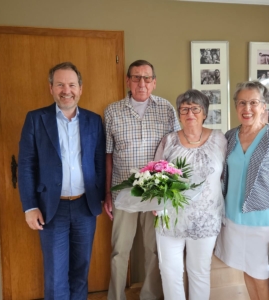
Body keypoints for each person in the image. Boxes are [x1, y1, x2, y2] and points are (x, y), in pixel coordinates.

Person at [18, 62, 106, 300]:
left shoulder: (94, 120)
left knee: (81, 270)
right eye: (60, 85)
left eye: (71, 84)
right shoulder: (36, 119)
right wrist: (30, 206)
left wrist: (101, 197)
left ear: (80, 88)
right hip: (49, 208)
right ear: (51, 88)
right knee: (56, 275)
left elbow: (99, 163)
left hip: (84, 207)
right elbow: (26, 165)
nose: (66, 90)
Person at [104, 59, 180, 300]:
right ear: (128, 81)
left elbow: (175, 150)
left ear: (154, 82)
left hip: (156, 193)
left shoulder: (167, 109)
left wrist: (170, 191)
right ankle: (116, 297)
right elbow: (107, 155)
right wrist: (107, 193)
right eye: (136, 77)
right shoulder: (112, 111)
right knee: (119, 251)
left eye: (147, 78)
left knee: (153, 250)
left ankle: (149, 296)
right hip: (123, 193)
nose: (142, 83)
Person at [215, 81, 269, 300]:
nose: (247, 108)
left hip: (264, 224)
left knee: (261, 277)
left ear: (263, 107)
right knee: (248, 273)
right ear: (235, 106)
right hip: (234, 220)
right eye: (242, 103)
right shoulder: (229, 136)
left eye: (253, 102)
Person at [153, 89, 227, 300]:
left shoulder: (220, 139)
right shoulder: (169, 141)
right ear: (179, 114)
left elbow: (226, 177)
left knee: (200, 272)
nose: (190, 113)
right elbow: (157, 176)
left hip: (206, 218)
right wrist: (157, 205)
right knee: (169, 271)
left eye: (195, 108)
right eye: (184, 109)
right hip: (170, 218)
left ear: (204, 113)